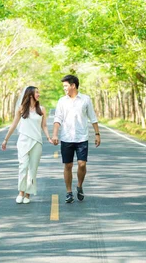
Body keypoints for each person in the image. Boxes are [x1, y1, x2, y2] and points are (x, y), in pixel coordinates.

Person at [51, 74, 100, 203]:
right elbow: (57, 119)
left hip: (82, 137)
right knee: (68, 165)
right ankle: (68, 192)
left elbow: (92, 117)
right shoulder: (62, 101)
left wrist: (97, 134)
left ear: (73, 86)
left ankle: (79, 186)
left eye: (66, 86)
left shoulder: (85, 99)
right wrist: (55, 134)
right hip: (66, 137)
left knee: (82, 164)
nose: (64, 88)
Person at [1, 86, 52, 204]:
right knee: (23, 167)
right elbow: (14, 124)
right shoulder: (21, 109)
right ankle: (21, 192)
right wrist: (5, 140)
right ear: (30, 95)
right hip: (23, 141)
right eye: (37, 92)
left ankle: (28, 194)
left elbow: (44, 126)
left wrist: (48, 137)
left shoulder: (42, 109)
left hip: (37, 142)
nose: (39, 94)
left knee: (32, 169)